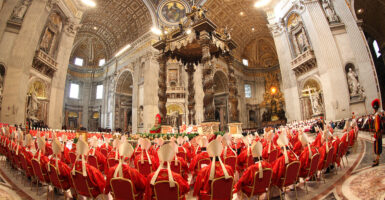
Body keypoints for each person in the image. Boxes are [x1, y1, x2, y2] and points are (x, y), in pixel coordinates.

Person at [371, 99, 383, 167]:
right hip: (378, 133)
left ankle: (377, 161)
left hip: (377, 133)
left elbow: (377, 126)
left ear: (374, 109)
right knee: (377, 147)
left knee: (378, 148)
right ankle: (377, 159)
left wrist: (375, 133)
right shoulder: (377, 115)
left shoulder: (376, 116)